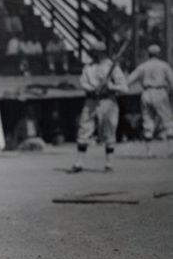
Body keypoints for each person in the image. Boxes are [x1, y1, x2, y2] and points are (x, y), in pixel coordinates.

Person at [71, 40, 128, 173]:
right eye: (92, 52)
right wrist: (92, 88)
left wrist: (110, 87)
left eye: (96, 52)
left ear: (102, 53)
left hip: (107, 101)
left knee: (109, 130)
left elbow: (124, 87)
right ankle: (79, 163)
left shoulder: (112, 66)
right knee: (84, 129)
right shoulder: (88, 67)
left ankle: (109, 164)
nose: (93, 55)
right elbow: (82, 83)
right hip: (91, 100)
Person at [126, 44, 173, 157]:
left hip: (146, 92)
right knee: (168, 120)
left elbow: (129, 81)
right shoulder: (164, 65)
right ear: (159, 53)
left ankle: (149, 151)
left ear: (148, 54)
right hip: (160, 91)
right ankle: (171, 150)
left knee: (147, 120)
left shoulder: (143, 66)